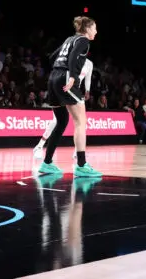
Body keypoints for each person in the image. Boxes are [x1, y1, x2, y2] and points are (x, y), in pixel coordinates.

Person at [39, 16, 101, 178]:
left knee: (61, 121)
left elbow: (52, 57)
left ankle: (47, 162)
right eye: (94, 28)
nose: (96, 31)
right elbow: (73, 56)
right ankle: (81, 165)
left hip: (53, 77)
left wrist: (58, 71)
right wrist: (73, 76)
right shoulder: (83, 41)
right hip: (66, 78)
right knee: (80, 122)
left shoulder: (69, 39)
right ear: (87, 29)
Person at [34, 57, 93, 161]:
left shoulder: (89, 64)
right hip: (63, 90)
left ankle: (78, 152)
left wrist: (87, 90)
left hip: (75, 92)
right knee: (56, 121)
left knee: (82, 122)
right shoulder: (71, 58)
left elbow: (88, 78)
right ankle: (39, 146)